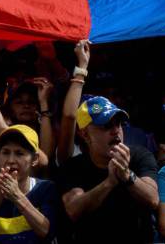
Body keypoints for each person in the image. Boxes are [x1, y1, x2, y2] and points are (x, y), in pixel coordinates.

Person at [59, 96, 159, 243]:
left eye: (118, 124)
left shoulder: (139, 156)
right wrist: (109, 183)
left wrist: (126, 175)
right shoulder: (73, 167)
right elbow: (73, 210)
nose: (116, 131)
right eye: (106, 126)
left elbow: (153, 200)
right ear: (85, 134)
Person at [0, 125, 57, 244]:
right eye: (5, 152)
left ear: (35, 159)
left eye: (19, 153)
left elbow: (47, 232)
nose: (11, 160)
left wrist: (17, 196)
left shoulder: (45, 189)